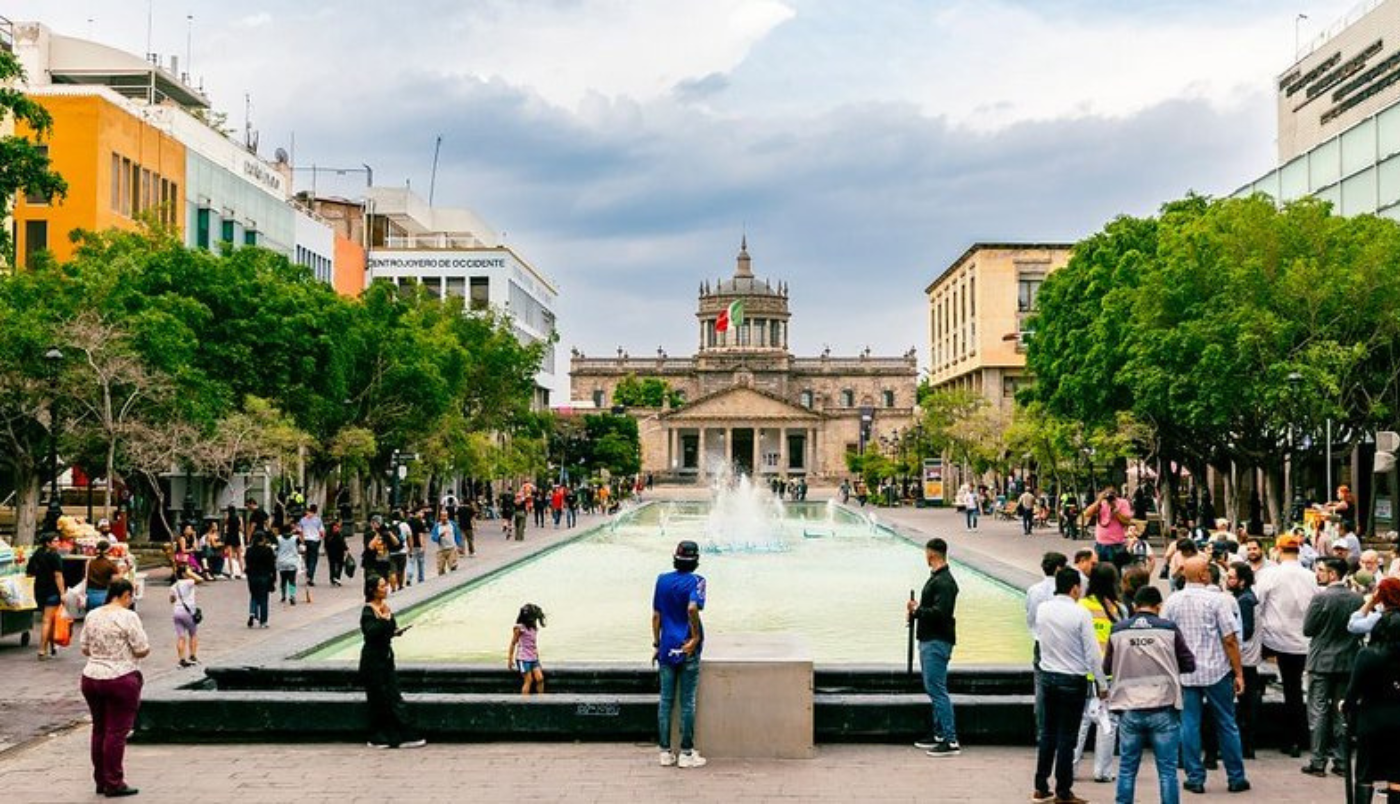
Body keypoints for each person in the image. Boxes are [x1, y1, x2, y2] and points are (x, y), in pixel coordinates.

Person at [1161, 557, 1251, 794]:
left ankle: (1195, 777)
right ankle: (1236, 777)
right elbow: (1230, 639)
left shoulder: (1172, 601)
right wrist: (1239, 672)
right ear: (1203, 575)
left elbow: (1165, 638)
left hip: (1186, 673)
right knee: (1227, 723)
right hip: (1216, 670)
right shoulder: (1217, 600)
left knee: (1189, 724)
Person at [1104, 586, 1196, 804]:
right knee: (1167, 771)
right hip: (1163, 706)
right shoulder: (1169, 629)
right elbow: (1189, 664)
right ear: (1159, 606)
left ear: (1135, 606)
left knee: (1127, 768)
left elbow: (1107, 667)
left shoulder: (1118, 630)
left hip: (1129, 707)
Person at [1030, 567, 1098, 804]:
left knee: (1048, 733)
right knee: (1067, 737)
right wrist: (1101, 682)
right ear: (1075, 588)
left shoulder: (1043, 609)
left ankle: (1040, 786)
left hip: (1048, 676)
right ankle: (1063, 790)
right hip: (1073, 679)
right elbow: (1092, 653)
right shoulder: (1080, 613)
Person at [79, 577, 149, 797]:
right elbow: (142, 648)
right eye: (131, 597)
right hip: (120, 678)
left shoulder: (92, 615)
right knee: (116, 732)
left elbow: (84, 648)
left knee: (99, 729)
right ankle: (114, 782)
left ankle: (101, 780)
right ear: (125, 595)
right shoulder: (128, 617)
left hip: (91, 677)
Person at [1253, 533, 1317, 757]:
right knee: (1294, 689)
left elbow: (1257, 603)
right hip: (1302, 640)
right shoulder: (1310, 576)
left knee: (1280, 687)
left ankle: (1282, 737)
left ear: (1278, 551)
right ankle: (1298, 738)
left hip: (1275, 639)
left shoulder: (1270, 574)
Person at [1301, 556, 1364, 777]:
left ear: (1332, 574)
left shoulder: (1320, 598)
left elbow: (1308, 629)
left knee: (1318, 711)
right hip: (1347, 661)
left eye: (1321, 570)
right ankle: (1342, 760)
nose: (1317, 574)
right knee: (1341, 711)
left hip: (1321, 660)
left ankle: (1318, 760)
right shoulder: (1357, 598)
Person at [653, 540, 707, 769]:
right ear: (696, 561)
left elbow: (656, 616)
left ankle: (665, 752)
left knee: (666, 701)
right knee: (687, 702)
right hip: (687, 648)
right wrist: (695, 637)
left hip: (667, 646)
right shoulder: (698, 581)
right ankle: (686, 753)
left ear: (675, 558)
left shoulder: (662, 580)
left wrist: (657, 644)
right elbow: (692, 608)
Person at [907, 537, 961, 758]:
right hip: (932, 639)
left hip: (936, 641)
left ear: (930, 555)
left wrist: (917, 611)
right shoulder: (939, 578)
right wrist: (917, 611)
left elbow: (941, 613)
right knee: (935, 688)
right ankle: (939, 734)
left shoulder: (944, 582)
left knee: (937, 690)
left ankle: (950, 740)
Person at [1072, 564, 1125, 783]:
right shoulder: (1119, 610)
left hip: (1083, 672)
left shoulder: (1081, 606)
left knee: (1079, 723)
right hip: (1109, 674)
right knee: (1107, 722)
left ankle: (1070, 768)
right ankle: (1102, 771)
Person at [360, 574, 426, 749]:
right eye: (382, 586)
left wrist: (395, 631)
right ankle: (377, 737)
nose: (386, 588)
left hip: (386, 658)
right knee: (377, 698)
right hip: (372, 660)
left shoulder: (385, 608)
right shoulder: (368, 611)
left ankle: (401, 735)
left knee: (393, 696)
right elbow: (371, 632)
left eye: (385, 585)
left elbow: (388, 629)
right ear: (373, 590)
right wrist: (384, 620)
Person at [1343, 611, 1400, 804]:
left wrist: (1346, 706)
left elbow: (1353, 690)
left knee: (1365, 772)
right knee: (1397, 774)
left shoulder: (1368, 655)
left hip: (1371, 720)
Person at [1024, 552, 1069, 737]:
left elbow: (1030, 617)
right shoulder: (1063, 591)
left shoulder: (1033, 590)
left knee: (1041, 689)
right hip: (1063, 643)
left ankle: (1042, 732)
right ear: (1058, 569)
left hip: (1041, 642)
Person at [1225, 561, 1262, 759]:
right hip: (1248, 658)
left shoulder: (1245, 600)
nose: (1227, 580)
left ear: (1242, 581)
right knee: (1246, 704)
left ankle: (1245, 745)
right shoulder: (1245, 597)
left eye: (1231, 577)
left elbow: (1245, 630)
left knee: (1244, 705)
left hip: (1245, 659)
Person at [26, 530, 66, 660]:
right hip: (52, 591)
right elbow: (58, 575)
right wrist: (62, 593)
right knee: (47, 620)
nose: (58, 543)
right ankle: (42, 649)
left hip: (39, 591)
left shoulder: (36, 554)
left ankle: (51, 647)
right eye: (55, 541)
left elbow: (29, 573)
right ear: (48, 543)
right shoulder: (55, 556)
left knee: (48, 619)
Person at [1084, 485, 1133, 568]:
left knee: (1115, 570)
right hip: (1100, 544)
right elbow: (1087, 513)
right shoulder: (1101, 503)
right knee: (1100, 570)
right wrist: (1098, 501)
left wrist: (1115, 510)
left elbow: (1127, 521)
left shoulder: (1123, 503)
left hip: (1116, 544)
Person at [508, 603, 547, 695]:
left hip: (533, 657)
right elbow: (513, 643)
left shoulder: (533, 628)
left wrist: (536, 655)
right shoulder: (519, 628)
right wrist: (510, 659)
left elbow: (533, 644)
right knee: (528, 680)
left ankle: (541, 699)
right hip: (523, 658)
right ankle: (525, 701)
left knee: (540, 679)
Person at [170, 566, 201, 668]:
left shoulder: (174, 586)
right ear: (184, 573)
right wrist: (190, 573)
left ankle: (181, 659)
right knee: (193, 634)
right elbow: (200, 579)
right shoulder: (188, 582)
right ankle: (192, 656)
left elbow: (172, 600)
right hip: (188, 612)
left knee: (181, 637)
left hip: (176, 612)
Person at [244, 530, 276, 628]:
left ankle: (252, 613)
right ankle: (263, 621)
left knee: (254, 595)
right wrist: (274, 577)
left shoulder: (249, 550)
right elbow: (272, 565)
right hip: (264, 576)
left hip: (252, 576)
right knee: (263, 599)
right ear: (263, 539)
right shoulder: (268, 550)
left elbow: (247, 563)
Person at [85, 540, 124, 616]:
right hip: (103, 595)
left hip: (90, 595)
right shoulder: (110, 564)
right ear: (108, 551)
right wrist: (122, 572)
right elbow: (116, 579)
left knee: (92, 616)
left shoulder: (90, 563)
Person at [275, 524, 301, 606]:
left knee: (283, 580)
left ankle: (283, 596)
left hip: (282, 562)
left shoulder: (278, 538)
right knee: (292, 580)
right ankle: (292, 596)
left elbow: (275, 549)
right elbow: (300, 547)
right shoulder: (295, 538)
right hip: (292, 562)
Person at [298, 504, 324, 587]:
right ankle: (310, 576)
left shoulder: (302, 520)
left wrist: (302, 541)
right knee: (313, 559)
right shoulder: (318, 520)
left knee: (307, 559)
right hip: (315, 541)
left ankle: (308, 575)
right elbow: (322, 532)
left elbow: (300, 532)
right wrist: (320, 538)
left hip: (306, 541)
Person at [431, 509, 460, 576]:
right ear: (440, 517)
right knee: (440, 569)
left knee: (452, 567)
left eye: (445, 516)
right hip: (441, 550)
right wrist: (439, 536)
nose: (444, 518)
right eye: (443, 516)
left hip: (451, 549)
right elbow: (433, 538)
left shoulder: (452, 524)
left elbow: (457, 535)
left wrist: (459, 545)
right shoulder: (437, 526)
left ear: (447, 516)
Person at [325, 519, 349, 587]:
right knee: (332, 566)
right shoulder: (329, 534)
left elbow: (343, 542)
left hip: (340, 552)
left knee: (340, 565)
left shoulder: (340, 534)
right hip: (331, 552)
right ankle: (332, 579)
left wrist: (346, 549)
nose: (337, 528)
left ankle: (338, 578)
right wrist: (326, 551)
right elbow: (326, 544)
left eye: (338, 527)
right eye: (335, 527)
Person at [223, 505, 244, 580]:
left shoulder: (227, 518)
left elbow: (225, 527)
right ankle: (242, 572)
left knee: (230, 555)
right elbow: (241, 529)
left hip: (229, 536)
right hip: (236, 536)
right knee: (239, 555)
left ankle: (232, 573)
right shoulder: (239, 518)